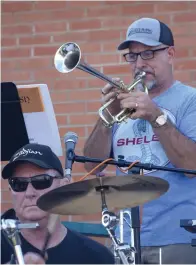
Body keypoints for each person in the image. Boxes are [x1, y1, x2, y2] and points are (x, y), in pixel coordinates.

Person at [83, 17, 196, 264]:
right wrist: (106, 119)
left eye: (148, 53)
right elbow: (93, 165)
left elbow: (192, 166)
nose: (140, 64)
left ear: (170, 53)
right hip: (125, 239)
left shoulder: (190, 100)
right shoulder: (123, 103)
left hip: (178, 236)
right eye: (132, 56)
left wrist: (156, 116)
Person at [1, 143, 115, 264]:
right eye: (18, 184)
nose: (29, 193)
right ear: (11, 190)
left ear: (63, 186)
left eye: (42, 181)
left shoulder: (97, 256)